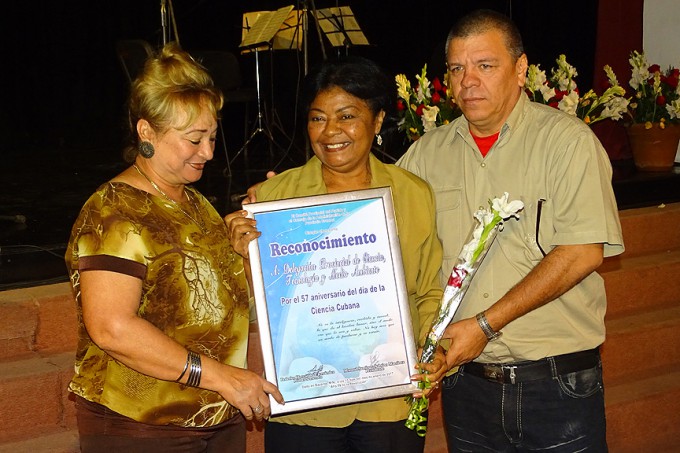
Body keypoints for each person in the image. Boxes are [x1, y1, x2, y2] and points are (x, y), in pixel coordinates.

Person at [396, 9, 624, 452]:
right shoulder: (426, 155)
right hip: (467, 385)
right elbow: (375, 224)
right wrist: (287, 199)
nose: (468, 82)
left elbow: (582, 252)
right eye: (457, 69)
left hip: (554, 382)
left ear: (520, 70)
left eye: (485, 65)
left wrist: (484, 324)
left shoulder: (567, 143)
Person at [64, 41, 283, 453]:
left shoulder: (194, 203)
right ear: (147, 131)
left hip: (215, 420)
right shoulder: (114, 212)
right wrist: (222, 377)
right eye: (194, 139)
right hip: (142, 427)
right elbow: (112, 328)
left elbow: (212, 308)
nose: (209, 153)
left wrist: (241, 252)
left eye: (213, 137)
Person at [225, 56, 447, 453]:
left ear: (378, 121)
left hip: (389, 402)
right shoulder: (275, 200)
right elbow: (262, 310)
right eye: (317, 118)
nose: (330, 132)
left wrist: (434, 352)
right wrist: (246, 259)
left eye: (347, 116)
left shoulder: (413, 194)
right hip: (305, 404)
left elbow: (429, 292)